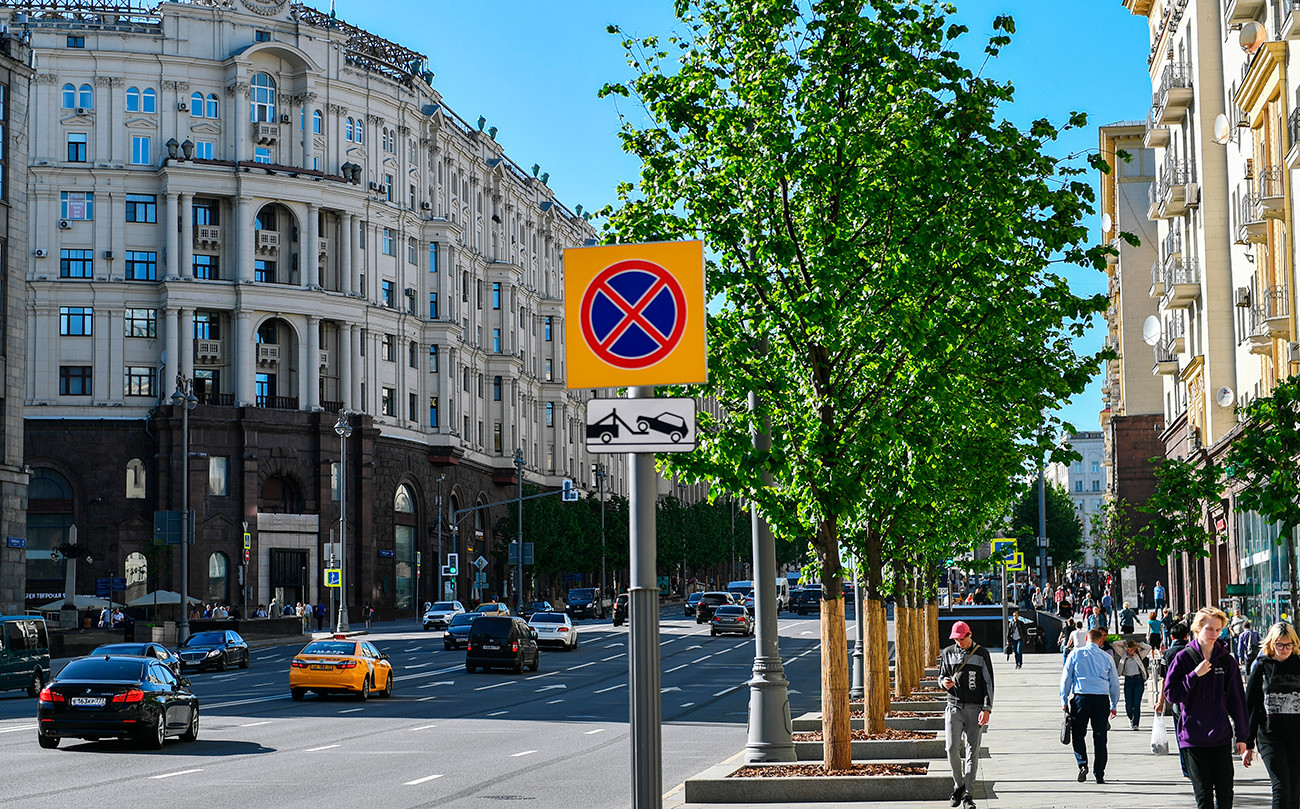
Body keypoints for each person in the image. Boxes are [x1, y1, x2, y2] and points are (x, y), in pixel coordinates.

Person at [1164, 607, 1249, 809]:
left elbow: (1237, 700)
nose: (1214, 634)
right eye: (1209, 629)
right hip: (1192, 738)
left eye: (1218, 630)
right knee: (1204, 798)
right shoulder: (1183, 658)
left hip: (1220, 736)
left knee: (1225, 796)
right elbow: (1172, 694)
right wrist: (1194, 675)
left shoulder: (1227, 661)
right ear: (1197, 628)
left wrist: (1243, 737)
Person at [1243, 621, 1300, 809]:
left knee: (1294, 788)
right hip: (1270, 735)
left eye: (1288, 644)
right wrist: (1248, 743)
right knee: (1281, 786)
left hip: (1296, 736)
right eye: (1280, 645)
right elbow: (1251, 706)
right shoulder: (1261, 667)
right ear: (1271, 644)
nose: (1284, 649)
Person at [938, 620, 993, 809]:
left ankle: (968, 794)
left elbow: (988, 683)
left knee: (972, 751)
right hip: (953, 707)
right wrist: (943, 683)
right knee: (951, 748)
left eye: (961, 639)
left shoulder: (982, 653)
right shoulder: (947, 653)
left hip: (975, 708)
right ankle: (958, 785)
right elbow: (941, 675)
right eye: (956, 639)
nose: (959, 642)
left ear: (969, 635)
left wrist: (986, 709)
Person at [1060, 628, 1121, 784]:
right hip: (1101, 699)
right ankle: (1099, 772)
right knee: (1100, 737)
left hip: (1081, 697)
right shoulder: (1106, 657)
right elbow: (1114, 682)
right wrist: (1114, 703)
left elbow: (1066, 678)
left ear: (1086, 638)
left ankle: (1082, 764)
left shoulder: (1075, 654)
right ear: (1100, 641)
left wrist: (1064, 699)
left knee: (1078, 733)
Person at [1116, 639, 1152, 730]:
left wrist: (1139, 644)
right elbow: (1115, 644)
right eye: (1128, 649)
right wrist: (1125, 643)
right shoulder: (1124, 654)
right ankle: (1130, 717)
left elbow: (1149, 647)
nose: (1129, 652)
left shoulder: (1139, 655)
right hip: (1128, 680)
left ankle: (1136, 723)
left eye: (1131, 650)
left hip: (1138, 680)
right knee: (1128, 703)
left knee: (1136, 703)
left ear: (1135, 649)